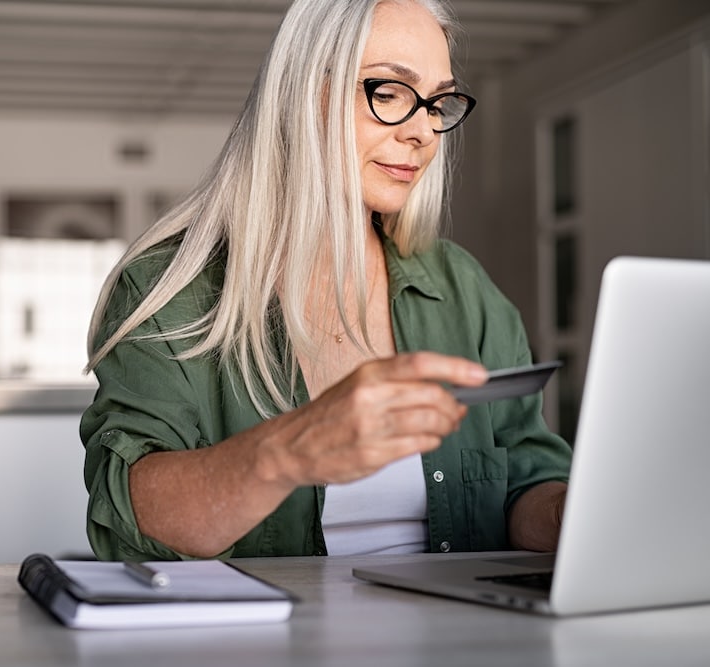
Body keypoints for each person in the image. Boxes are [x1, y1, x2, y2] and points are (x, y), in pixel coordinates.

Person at [80, 0, 572, 561]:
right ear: (301, 94)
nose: (424, 133)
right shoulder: (166, 290)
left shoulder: (462, 288)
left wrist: (574, 515)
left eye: (438, 102)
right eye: (388, 92)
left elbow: (526, 481)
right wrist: (291, 450)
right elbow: (131, 523)